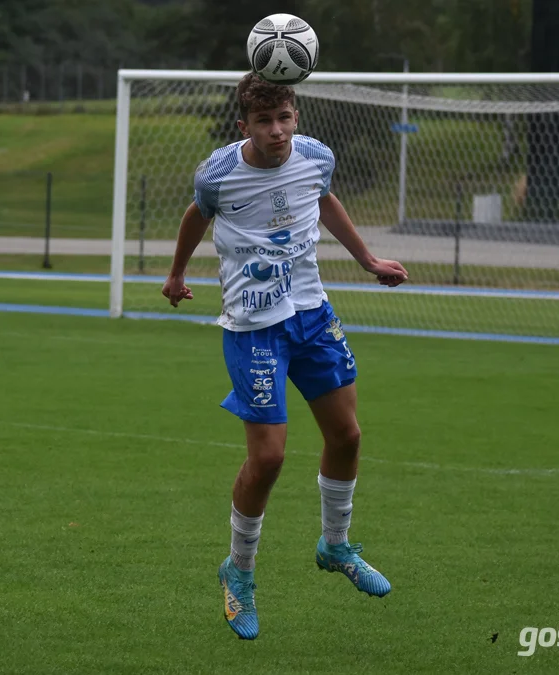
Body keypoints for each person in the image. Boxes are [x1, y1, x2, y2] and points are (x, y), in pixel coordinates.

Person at [161, 73, 409, 640]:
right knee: (269, 459)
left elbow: (323, 202)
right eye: (265, 122)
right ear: (243, 125)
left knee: (347, 436)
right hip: (254, 329)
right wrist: (176, 273)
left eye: (286, 119)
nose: (278, 132)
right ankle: (239, 572)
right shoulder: (219, 174)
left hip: (313, 316)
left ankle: (336, 545)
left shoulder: (316, 157)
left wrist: (368, 261)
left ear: (296, 116)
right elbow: (196, 215)